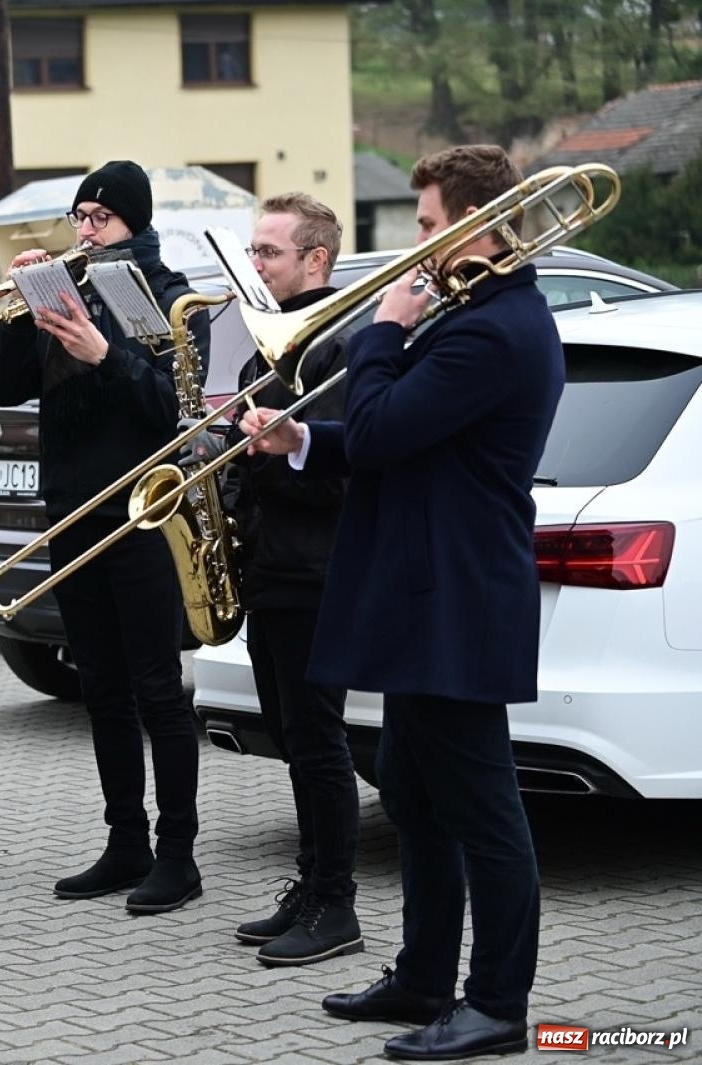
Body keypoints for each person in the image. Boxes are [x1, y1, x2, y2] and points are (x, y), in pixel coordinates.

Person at [240, 145, 556, 1060]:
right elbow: (402, 438)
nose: (414, 245)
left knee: (483, 809)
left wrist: (380, 328)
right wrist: (300, 438)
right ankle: (423, 973)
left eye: (425, 224)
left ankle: (496, 1001)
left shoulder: (491, 330)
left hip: (457, 599)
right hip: (429, 596)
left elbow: (382, 426)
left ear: (477, 221)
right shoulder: (474, 317)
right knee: (416, 795)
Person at [0, 160, 209, 914]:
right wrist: (19, 307)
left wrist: (103, 354)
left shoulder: (172, 299)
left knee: (157, 690)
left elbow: (170, 408)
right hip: (72, 510)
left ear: (134, 222)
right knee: (101, 688)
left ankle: (179, 854)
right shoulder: (67, 289)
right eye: (79, 217)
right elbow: (9, 385)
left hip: (142, 513)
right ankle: (126, 840)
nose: (85, 230)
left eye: (99, 218)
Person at [222, 193, 363, 967]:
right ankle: (310, 884)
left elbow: (339, 470)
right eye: (253, 250)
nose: (256, 264)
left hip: (316, 569)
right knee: (288, 734)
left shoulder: (336, 345)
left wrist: (273, 455)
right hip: (271, 566)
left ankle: (336, 902)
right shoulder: (266, 346)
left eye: (268, 252)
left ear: (316, 258)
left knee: (317, 738)